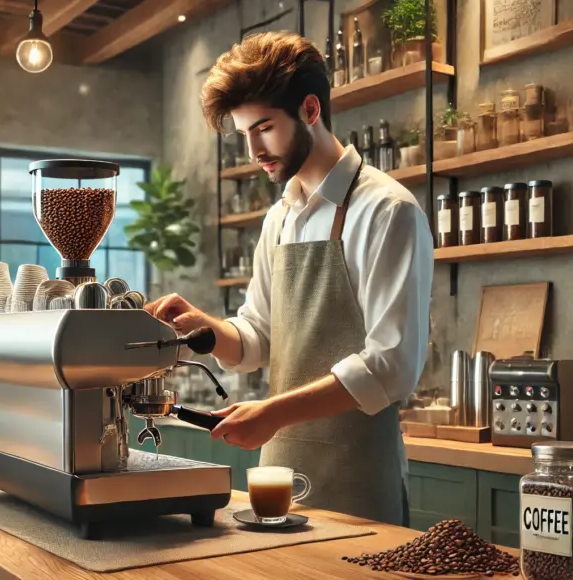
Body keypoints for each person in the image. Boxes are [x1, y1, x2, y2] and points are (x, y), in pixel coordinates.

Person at [145, 32, 433, 525]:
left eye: (264, 128)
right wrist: (204, 329)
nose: (254, 150)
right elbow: (257, 338)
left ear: (310, 110)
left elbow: (391, 366)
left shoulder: (387, 211)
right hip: (279, 473)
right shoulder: (280, 218)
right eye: (244, 135)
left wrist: (273, 414)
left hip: (359, 479)